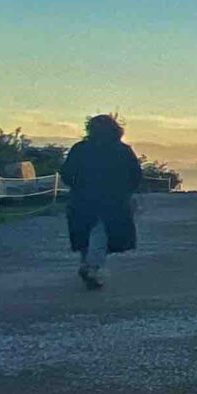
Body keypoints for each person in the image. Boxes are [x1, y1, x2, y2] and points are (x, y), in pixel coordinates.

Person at [60, 113, 142, 290]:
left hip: (81, 199)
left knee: (84, 234)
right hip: (113, 201)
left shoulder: (80, 149)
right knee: (102, 236)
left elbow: (67, 173)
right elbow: (135, 176)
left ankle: (86, 264)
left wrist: (78, 186)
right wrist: (126, 192)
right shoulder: (122, 151)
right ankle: (92, 268)